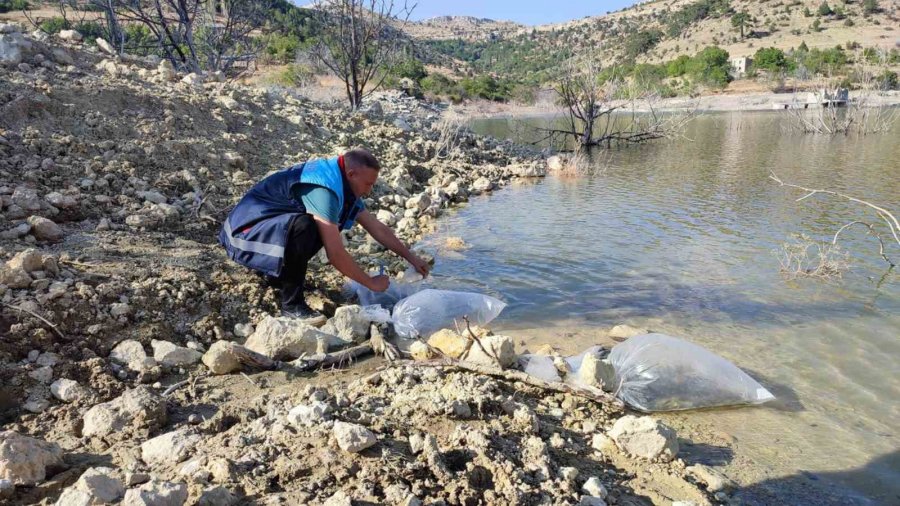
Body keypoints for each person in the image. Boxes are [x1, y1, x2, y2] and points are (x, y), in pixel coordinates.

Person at [219, 148, 430, 322]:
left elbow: (376, 227)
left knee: (313, 227)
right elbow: (335, 254)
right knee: (306, 227)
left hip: (261, 232)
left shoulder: (340, 181)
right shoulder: (325, 190)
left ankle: (280, 275)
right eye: (368, 184)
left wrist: (411, 257)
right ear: (351, 174)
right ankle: (292, 305)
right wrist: (370, 282)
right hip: (241, 237)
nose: (368, 191)